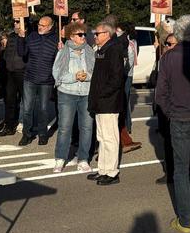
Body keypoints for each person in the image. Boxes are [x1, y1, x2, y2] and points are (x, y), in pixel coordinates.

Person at [155, 15, 190, 233]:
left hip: (178, 118)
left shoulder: (168, 58)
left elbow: (161, 94)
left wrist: (170, 113)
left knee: (181, 169)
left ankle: (185, 219)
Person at [51, 20, 96, 173]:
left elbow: (95, 73)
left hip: (86, 93)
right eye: (80, 34)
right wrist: (75, 76)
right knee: (64, 128)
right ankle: (60, 158)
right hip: (66, 93)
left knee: (87, 128)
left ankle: (83, 159)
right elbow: (57, 74)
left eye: (84, 34)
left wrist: (87, 76)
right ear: (71, 36)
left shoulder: (90, 51)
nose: (83, 37)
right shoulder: (63, 52)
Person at [88, 18, 128, 185]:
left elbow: (116, 78)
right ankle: (103, 169)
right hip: (101, 101)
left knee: (110, 137)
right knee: (102, 137)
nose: (95, 36)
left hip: (109, 102)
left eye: (97, 33)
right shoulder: (103, 49)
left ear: (107, 34)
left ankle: (112, 172)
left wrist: (102, 93)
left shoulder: (114, 50)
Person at [16, 14, 59, 146]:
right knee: (28, 108)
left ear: (50, 27)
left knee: (43, 109)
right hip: (30, 78)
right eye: (39, 24)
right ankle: (26, 134)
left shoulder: (56, 40)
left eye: (43, 25)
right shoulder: (32, 36)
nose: (40, 27)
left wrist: (61, 49)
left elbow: (59, 61)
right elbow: (22, 53)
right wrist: (21, 38)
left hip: (46, 80)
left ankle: (42, 134)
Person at [153, 31, 178, 185]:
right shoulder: (164, 59)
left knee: (175, 144)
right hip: (163, 107)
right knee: (166, 142)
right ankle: (170, 171)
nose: (167, 47)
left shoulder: (182, 61)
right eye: (166, 44)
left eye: (170, 44)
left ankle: (175, 173)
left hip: (174, 108)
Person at [118, 22, 142, 154]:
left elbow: (128, 61)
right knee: (124, 102)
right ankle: (127, 128)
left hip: (126, 75)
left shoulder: (129, 43)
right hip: (128, 74)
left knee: (123, 102)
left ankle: (126, 127)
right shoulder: (132, 42)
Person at [0, 30, 25, 136]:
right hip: (11, 72)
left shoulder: (30, 34)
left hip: (23, 72)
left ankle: (24, 124)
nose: (15, 24)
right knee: (10, 100)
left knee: (25, 101)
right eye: (14, 21)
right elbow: (6, 54)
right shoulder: (12, 36)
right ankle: (9, 126)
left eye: (17, 21)